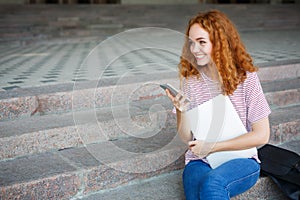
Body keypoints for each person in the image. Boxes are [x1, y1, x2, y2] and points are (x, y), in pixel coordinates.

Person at [165, 10, 271, 199]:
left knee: (212, 184)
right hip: (200, 160)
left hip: (242, 158)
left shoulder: (246, 78)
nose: (194, 49)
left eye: (201, 42)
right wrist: (181, 112)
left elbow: (262, 135)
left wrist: (213, 146)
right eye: (191, 42)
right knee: (196, 191)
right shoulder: (192, 81)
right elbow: (186, 137)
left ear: (220, 42)